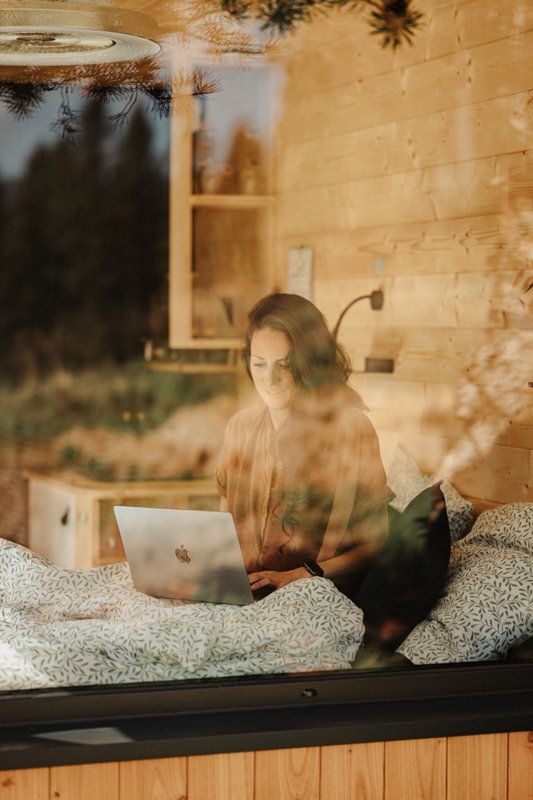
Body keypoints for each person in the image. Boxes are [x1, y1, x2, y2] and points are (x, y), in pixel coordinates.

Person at [215, 293, 393, 601]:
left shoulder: (351, 429)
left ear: (310, 364)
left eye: (284, 365)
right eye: (259, 364)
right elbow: (221, 529)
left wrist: (300, 576)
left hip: (311, 596)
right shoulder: (240, 427)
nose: (269, 379)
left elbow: (374, 543)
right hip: (243, 595)